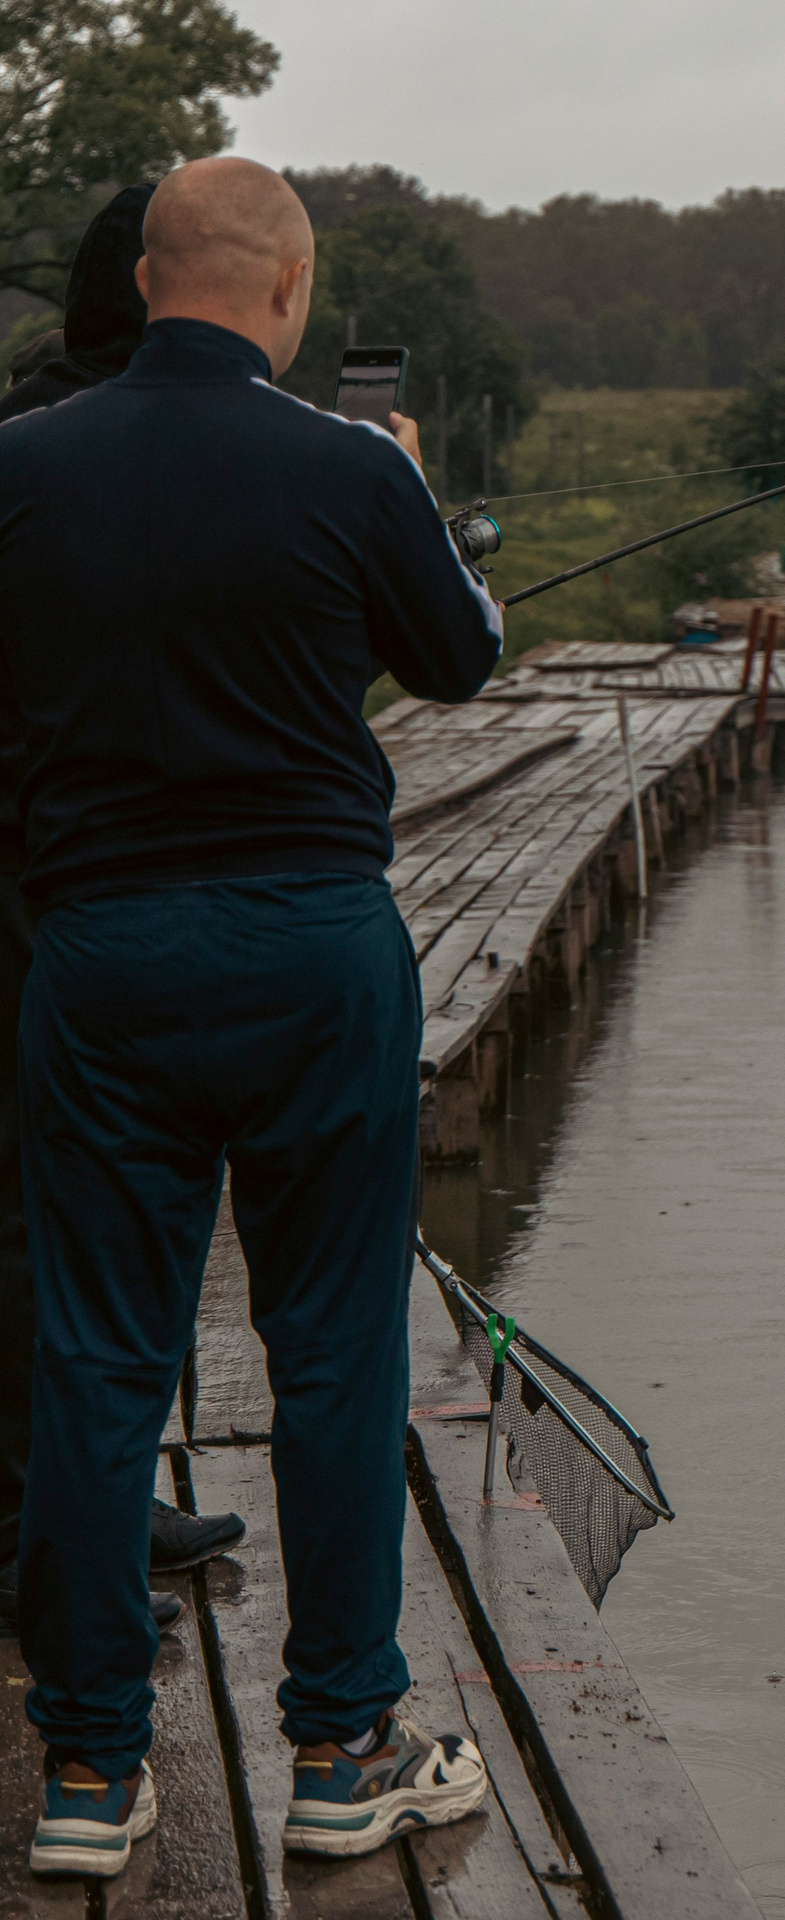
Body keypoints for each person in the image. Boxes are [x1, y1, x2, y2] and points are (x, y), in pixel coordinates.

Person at [0, 156, 503, 1879]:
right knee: (336, 1354)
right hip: (312, 954)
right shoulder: (353, 466)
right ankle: (349, 1744)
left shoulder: (17, 467)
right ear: (287, 293)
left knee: (94, 1353)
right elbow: (459, 661)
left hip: (101, 958)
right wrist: (412, 508)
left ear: (148, 279)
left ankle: (83, 1770)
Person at [0, 187, 249, 1644]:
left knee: (80, 1204)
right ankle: (40, 1539)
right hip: (45, 888)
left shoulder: (51, 426)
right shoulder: (72, 452)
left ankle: (92, 1506)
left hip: (67, 881)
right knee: (47, 1209)